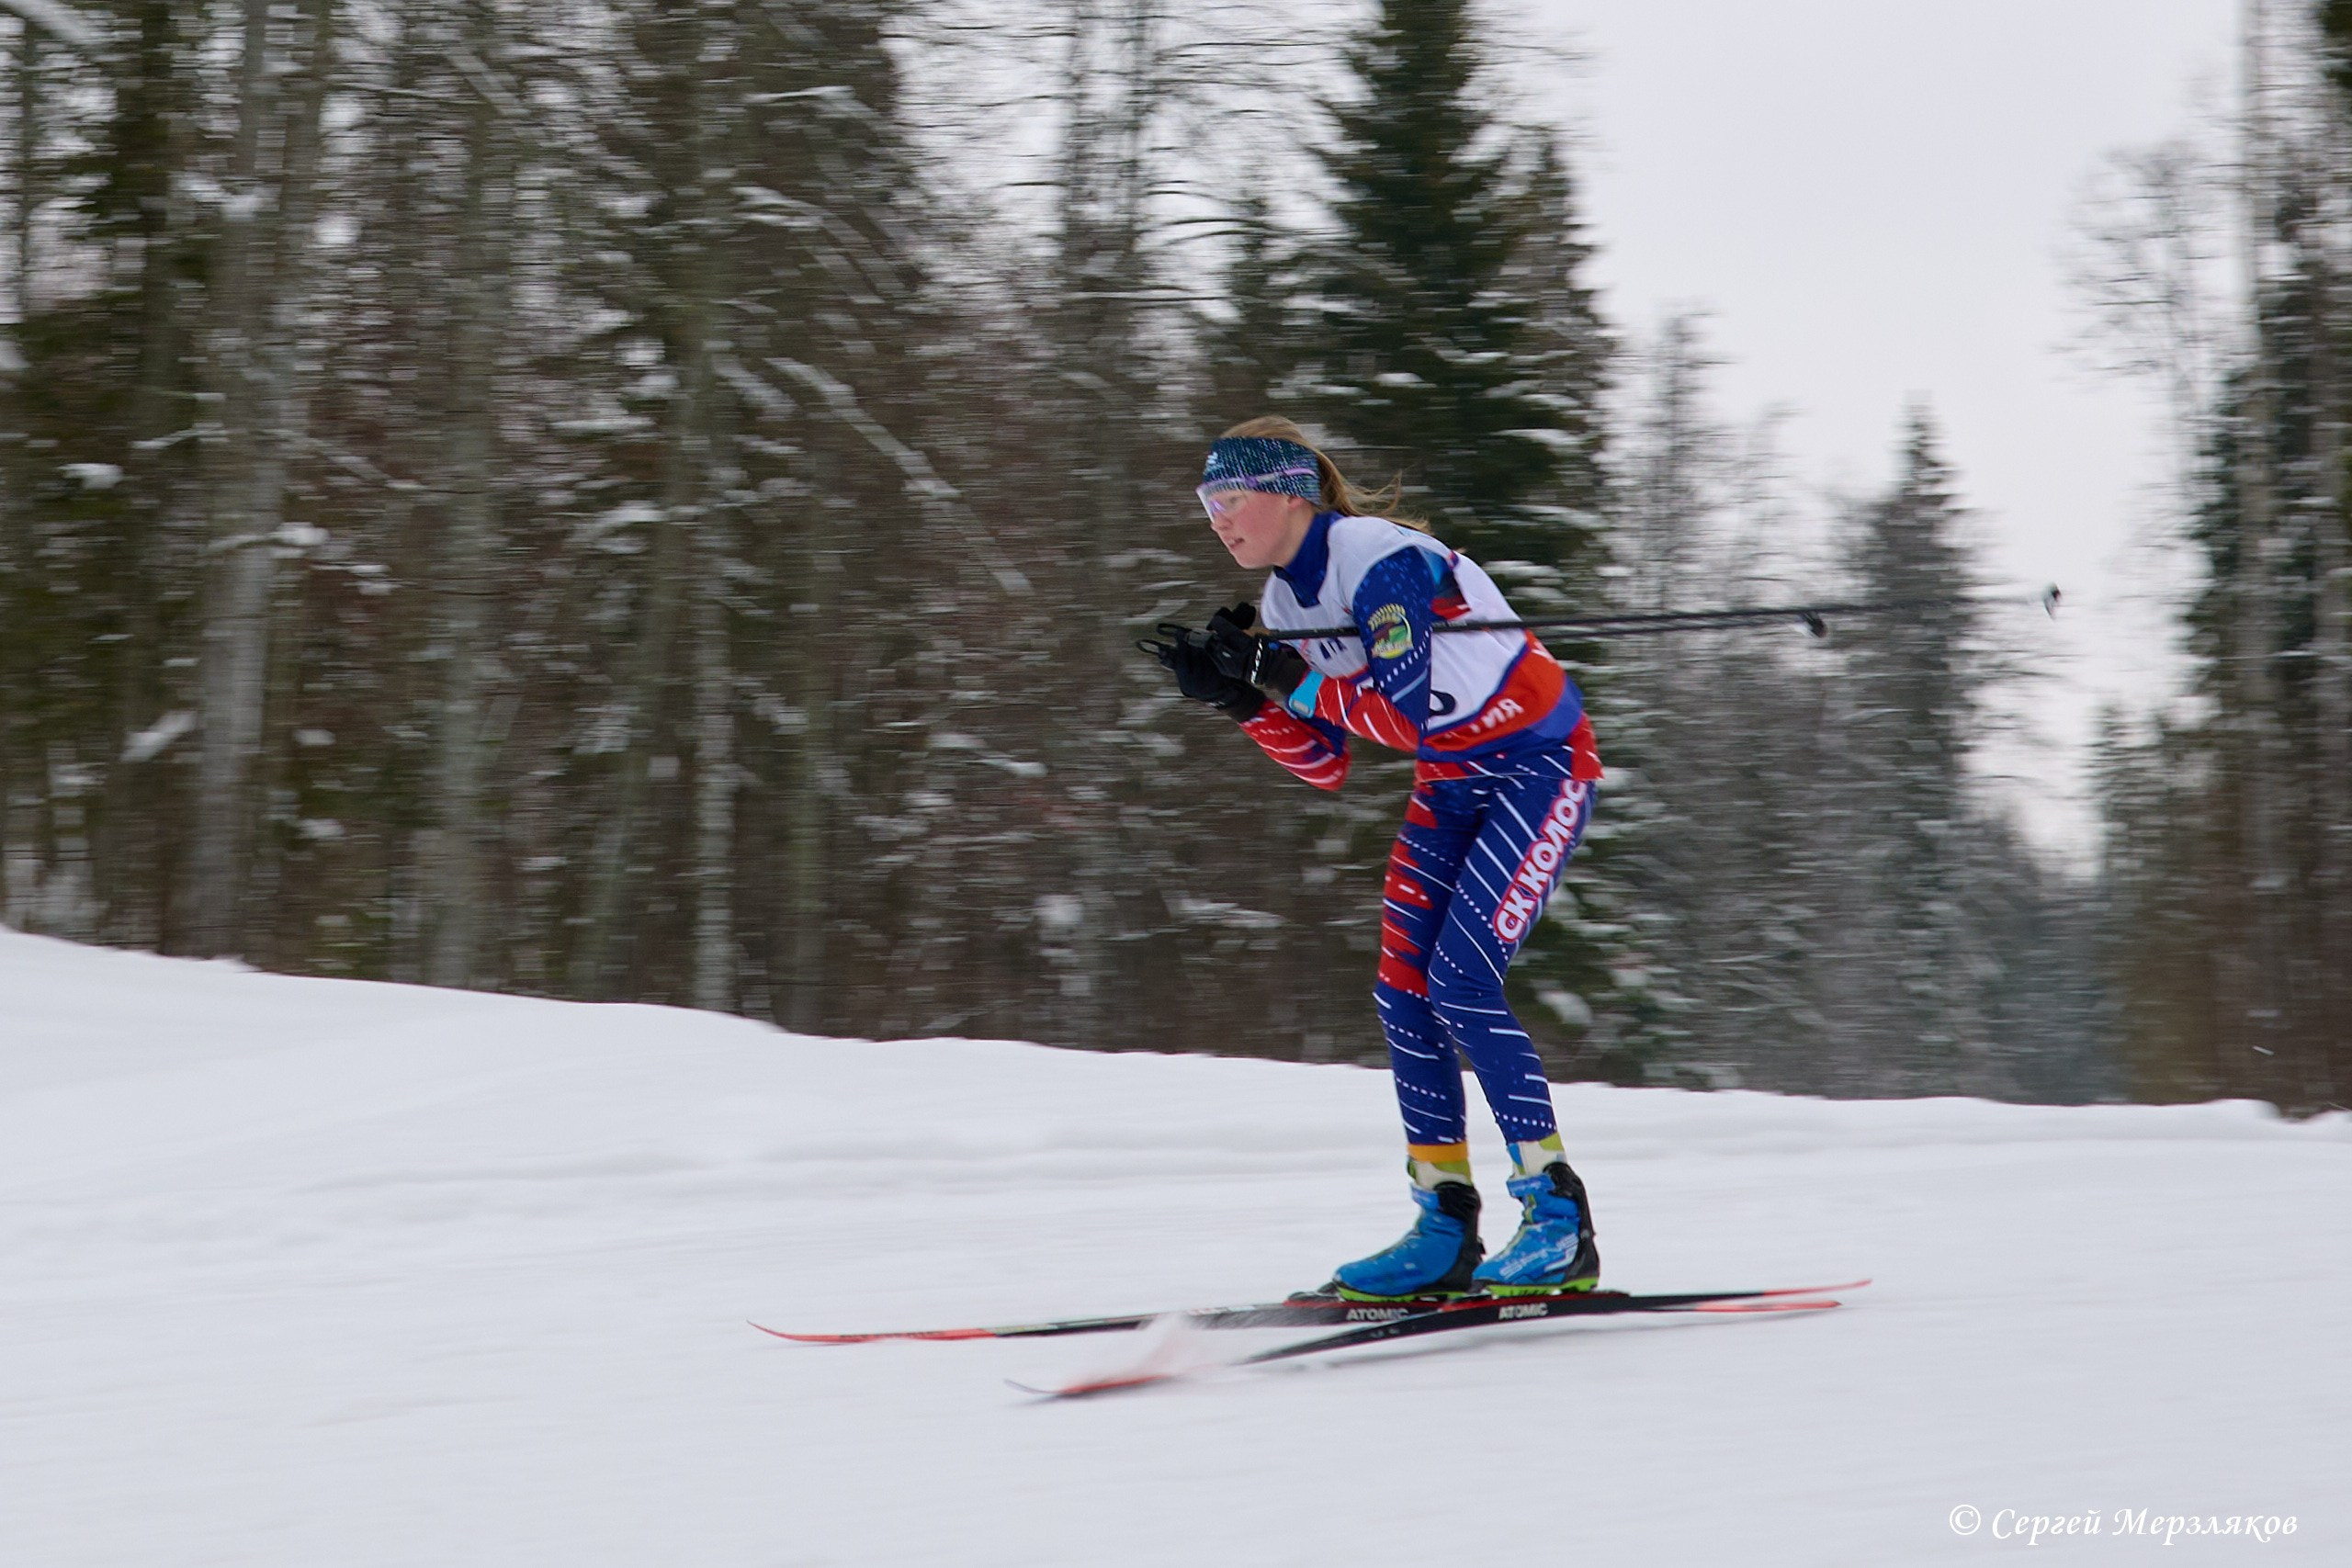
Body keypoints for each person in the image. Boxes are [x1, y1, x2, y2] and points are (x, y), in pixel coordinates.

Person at [1150, 416, 1604, 1302]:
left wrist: (1283, 678)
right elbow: (1325, 760)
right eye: (1207, 504)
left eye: (1229, 498)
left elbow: (1404, 716)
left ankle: (1557, 1219)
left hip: (1539, 766)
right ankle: (1443, 1224)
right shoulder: (1286, 603)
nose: (1217, 519)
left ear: (1289, 494)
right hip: (1453, 781)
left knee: (1460, 980)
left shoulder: (1377, 560)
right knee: (1404, 990)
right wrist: (1240, 699)